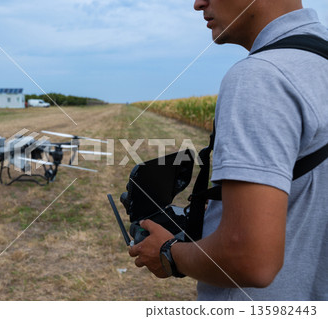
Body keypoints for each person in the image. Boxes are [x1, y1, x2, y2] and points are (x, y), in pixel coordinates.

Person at [128, 0, 328, 301]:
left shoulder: (260, 76)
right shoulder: (316, 61)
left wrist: (169, 253)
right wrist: (231, 210)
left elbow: (249, 259)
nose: (198, 4)